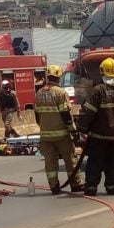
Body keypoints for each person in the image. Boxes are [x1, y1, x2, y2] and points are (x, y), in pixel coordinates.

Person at [76, 58, 114, 196]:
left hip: (99, 135)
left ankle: (91, 187)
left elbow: (88, 112)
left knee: (95, 162)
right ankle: (112, 186)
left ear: (101, 71)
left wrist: (82, 128)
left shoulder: (98, 90)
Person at [34, 65, 84, 194]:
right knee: (70, 159)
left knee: (50, 162)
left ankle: (54, 187)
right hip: (61, 134)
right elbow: (65, 114)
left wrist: (44, 127)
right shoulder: (60, 92)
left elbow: (37, 115)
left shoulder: (39, 93)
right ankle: (75, 184)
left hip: (45, 135)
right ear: (58, 77)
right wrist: (73, 130)